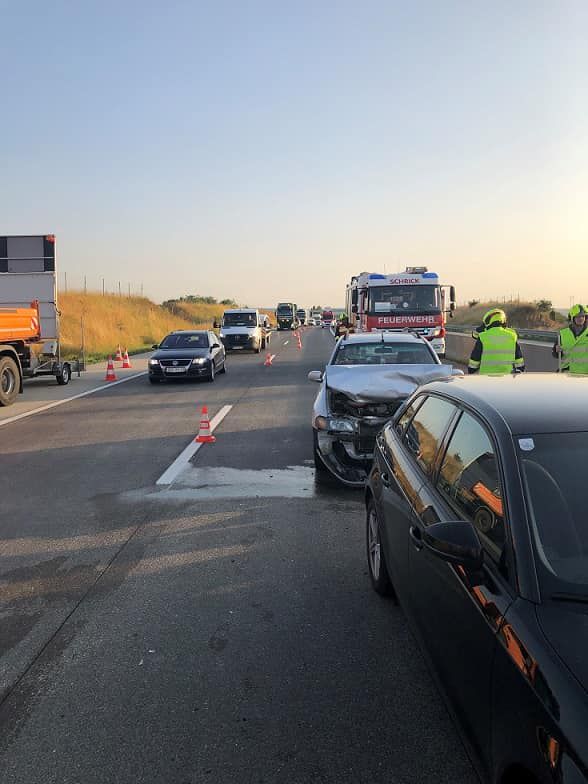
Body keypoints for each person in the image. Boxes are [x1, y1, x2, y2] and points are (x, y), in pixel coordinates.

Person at [468, 308, 525, 375]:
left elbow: (473, 364)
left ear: (487, 322)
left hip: (486, 379)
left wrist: (471, 370)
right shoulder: (512, 336)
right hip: (507, 378)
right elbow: (520, 363)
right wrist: (519, 370)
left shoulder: (483, 337)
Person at [553, 304, 588, 373]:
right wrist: (556, 351)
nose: (581, 318)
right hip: (567, 374)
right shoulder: (563, 333)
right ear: (572, 318)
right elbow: (555, 354)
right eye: (578, 316)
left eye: (583, 316)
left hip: (584, 375)